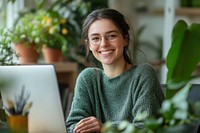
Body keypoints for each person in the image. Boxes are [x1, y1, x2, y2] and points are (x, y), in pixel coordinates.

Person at [66, 8, 164, 133]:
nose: (104, 44)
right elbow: (72, 126)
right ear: (89, 45)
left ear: (125, 39)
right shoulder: (87, 78)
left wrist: (105, 128)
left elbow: (146, 128)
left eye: (111, 36)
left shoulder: (143, 74)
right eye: (95, 38)